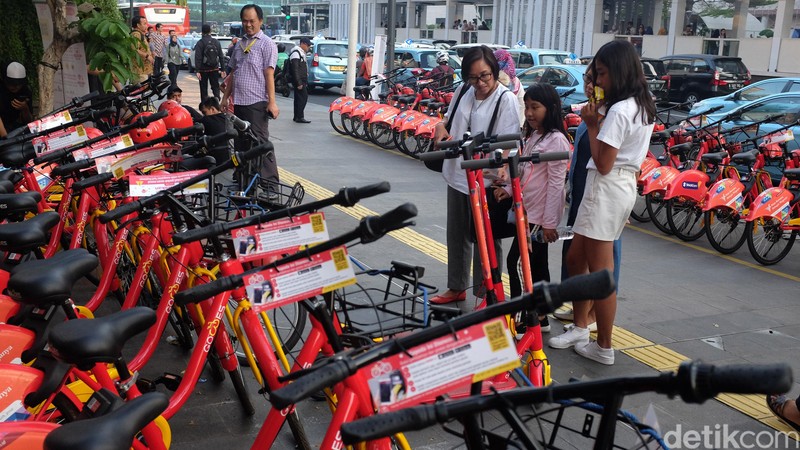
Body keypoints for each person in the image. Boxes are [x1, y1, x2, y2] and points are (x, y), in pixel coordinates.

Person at [549, 40, 655, 365]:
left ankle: (604, 345)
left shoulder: (620, 111)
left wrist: (593, 124)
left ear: (620, 72)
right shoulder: (640, 104)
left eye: (603, 74)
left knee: (600, 274)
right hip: (616, 187)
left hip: (606, 187)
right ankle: (581, 327)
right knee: (576, 258)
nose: (598, 81)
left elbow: (604, 162)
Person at [429, 46, 520, 306]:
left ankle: (487, 293)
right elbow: (447, 120)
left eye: (485, 76)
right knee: (457, 234)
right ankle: (456, 286)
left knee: (486, 238)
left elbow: (510, 141)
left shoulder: (505, 100)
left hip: (486, 178)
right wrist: (440, 128)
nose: (479, 83)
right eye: (472, 77)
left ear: (495, 71)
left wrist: (502, 165)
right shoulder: (463, 91)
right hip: (458, 174)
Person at [493, 83, 569, 332]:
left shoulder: (556, 140)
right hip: (527, 212)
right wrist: (508, 189)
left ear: (551, 108)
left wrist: (549, 223)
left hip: (538, 217)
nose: (529, 113)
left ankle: (522, 318)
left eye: (535, 107)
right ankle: (540, 317)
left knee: (516, 262)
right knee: (537, 265)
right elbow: (525, 171)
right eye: (527, 107)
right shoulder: (535, 136)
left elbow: (556, 185)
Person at [555, 66, 622, 331]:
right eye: (587, 79)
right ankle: (579, 310)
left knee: (601, 261)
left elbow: (612, 162)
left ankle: (594, 315)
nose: (590, 85)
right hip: (582, 193)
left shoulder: (611, 115)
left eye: (596, 79)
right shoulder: (592, 112)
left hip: (602, 197)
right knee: (575, 256)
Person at [222, 4, 280, 190]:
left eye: (252, 21)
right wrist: (225, 98)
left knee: (260, 144)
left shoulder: (267, 44)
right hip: (239, 102)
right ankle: (244, 182)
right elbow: (234, 72)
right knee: (241, 144)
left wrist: (272, 102)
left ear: (260, 21)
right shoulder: (240, 44)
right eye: (245, 21)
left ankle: (270, 186)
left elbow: (269, 74)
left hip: (257, 103)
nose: (248, 25)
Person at [0, 62, 33, 139]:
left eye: (19, 84)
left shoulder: (25, 91)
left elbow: (29, 122)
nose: (16, 86)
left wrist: (24, 108)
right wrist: (6, 139)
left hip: (14, 128)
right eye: (12, 83)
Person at [494, 49, 525, 125]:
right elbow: (522, 104)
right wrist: (520, 125)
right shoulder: (516, 81)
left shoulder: (492, 79)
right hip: (513, 123)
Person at [194, 24, 224, 101]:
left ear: (202, 32)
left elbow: (198, 57)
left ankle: (205, 104)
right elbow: (221, 56)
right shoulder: (216, 42)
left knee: (203, 88)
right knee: (215, 86)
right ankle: (216, 99)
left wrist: (197, 70)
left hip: (203, 70)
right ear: (210, 31)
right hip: (214, 68)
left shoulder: (200, 42)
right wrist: (223, 69)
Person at [288, 37, 311, 124]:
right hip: (299, 80)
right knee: (302, 98)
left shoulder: (301, 53)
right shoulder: (296, 53)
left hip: (302, 79)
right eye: (308, 45)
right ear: (303, 44)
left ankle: (297, 116)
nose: (309, 47)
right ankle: (299, 116)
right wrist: (298, 82)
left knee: (299, 98)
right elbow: (295, 69)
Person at [130, 16, 154, 83]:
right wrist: (147, 56)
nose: (146, 26)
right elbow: (134, 49)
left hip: (143, 71)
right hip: (139, 72)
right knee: (140, 88)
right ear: (138, 25)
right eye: (144, 24)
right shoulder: (136, 34)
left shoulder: (141, 34)